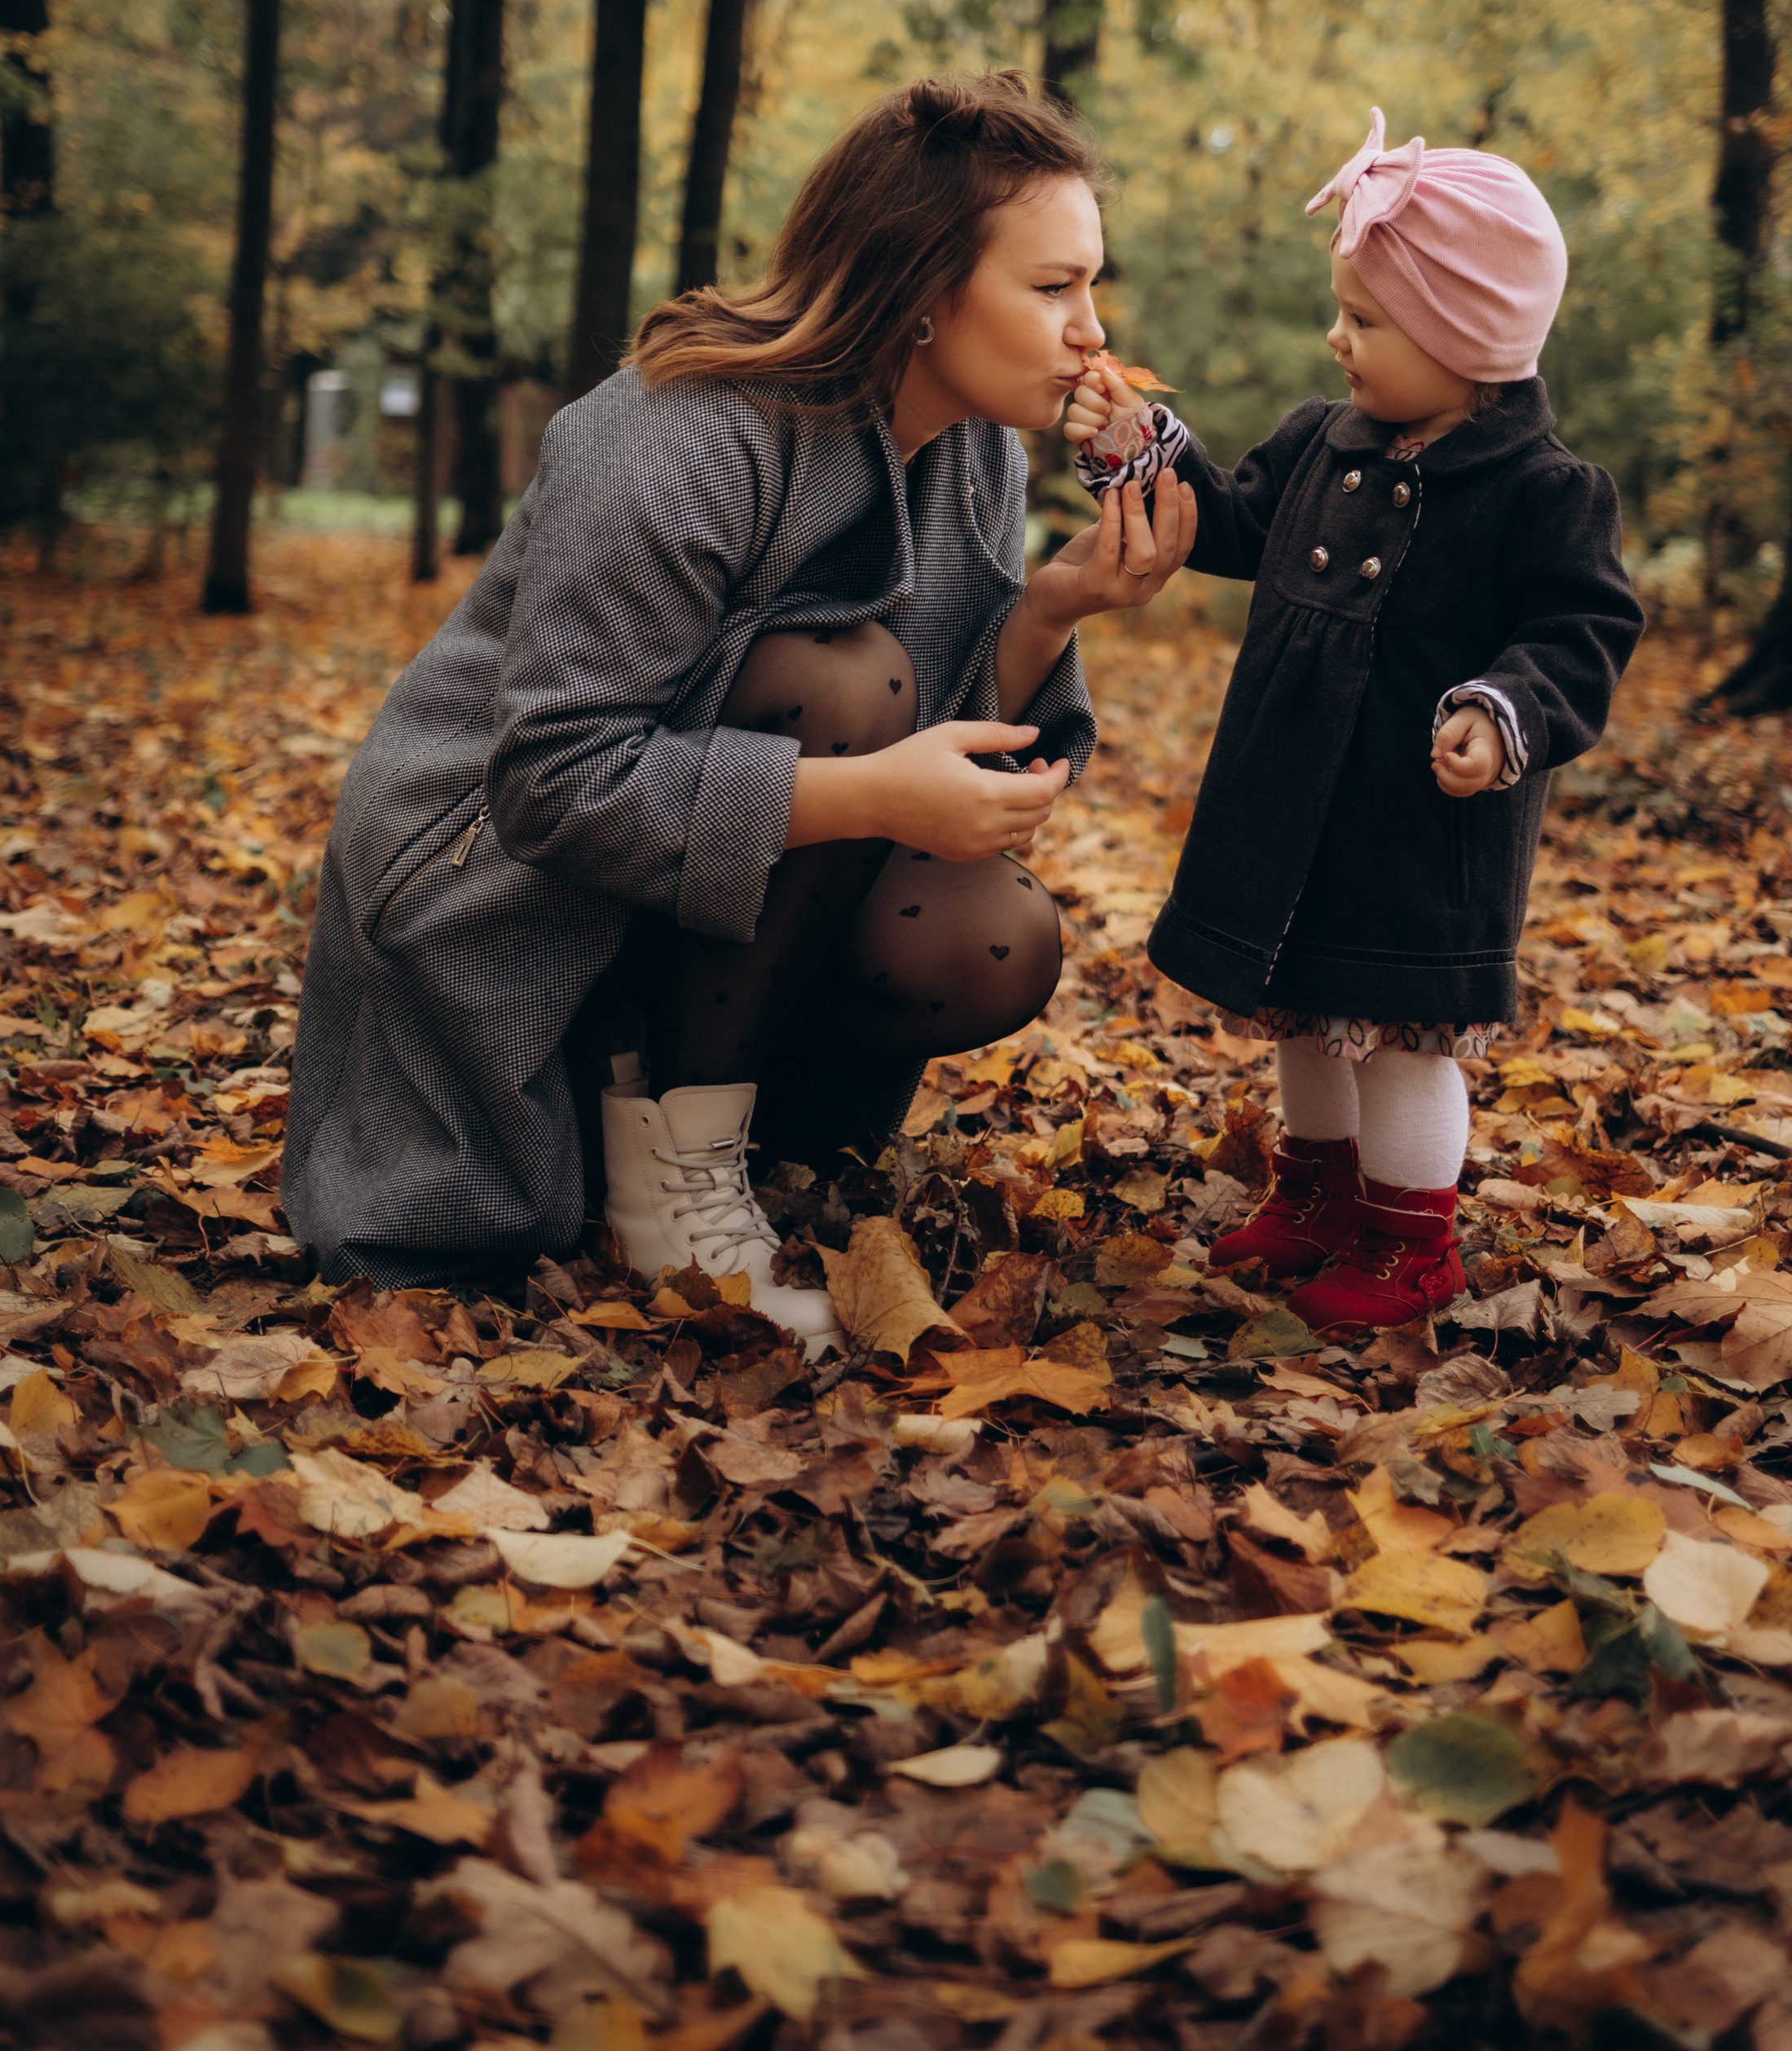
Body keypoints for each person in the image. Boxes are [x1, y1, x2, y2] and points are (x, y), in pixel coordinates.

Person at [283, 73, 1195, 1340]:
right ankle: (663, 1174)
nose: (1093, 332)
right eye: (1053, 289)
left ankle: (715, 1153)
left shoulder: (977, 454)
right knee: (839, 672)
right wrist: (875, 792)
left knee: (992, 939)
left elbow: (943, 746)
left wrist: (1051, 611)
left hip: (699, 886)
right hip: (491, 867)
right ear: (925, 290)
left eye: (1092, 287)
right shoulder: (686, 431)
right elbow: (551, 778)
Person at [1063, 108, 1641, 1326]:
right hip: (1292, 795)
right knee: (1306, 1009)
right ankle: (1317, 1193)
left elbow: (1582, 635)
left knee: (1404, 1032)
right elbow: (1227, 523)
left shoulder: (1544, 493)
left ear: (1468, 335)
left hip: (1421, 819)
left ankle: (1407, 1237)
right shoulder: (1320, 444)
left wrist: (1505, 711)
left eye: (1367, 321)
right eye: (1344, 309)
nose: (1338, 339)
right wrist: (1140, 447)